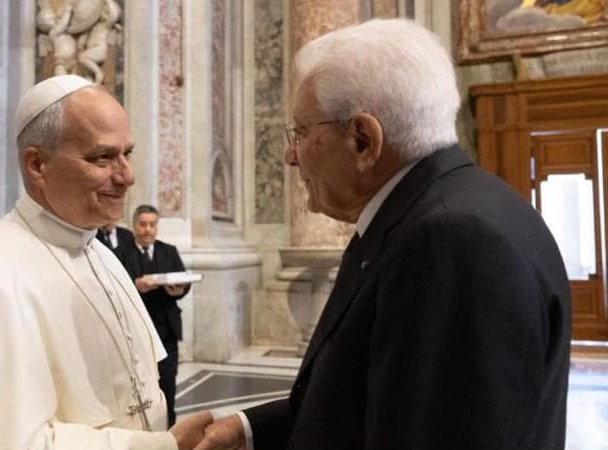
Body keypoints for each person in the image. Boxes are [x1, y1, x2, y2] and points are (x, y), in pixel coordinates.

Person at [187, 18, 571, 450]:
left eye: (301, 132)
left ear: (363, 140)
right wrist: (247, 428)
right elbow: (368, 397)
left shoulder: (452, 241)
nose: (290, 155)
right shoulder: (429, 213)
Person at [0, 75, 210, 450]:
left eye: (128, 153)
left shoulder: (102, 256)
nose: (127, 176)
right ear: (37, 164)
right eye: (103, 157)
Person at [118, 205, 190, 428]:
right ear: (134, 225)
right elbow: (115, 289)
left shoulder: (169, 251)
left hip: (166, 328)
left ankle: (168, 432)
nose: (148, 230)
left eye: (152, 224)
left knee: (167, 384)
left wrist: (179, 290)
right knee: (136, 389)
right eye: (143, 224)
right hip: (135, 331)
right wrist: (135, 286)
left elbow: (183, 282)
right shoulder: (120, 253)